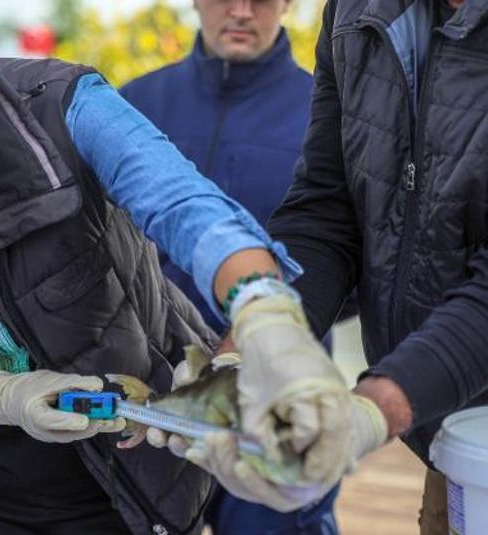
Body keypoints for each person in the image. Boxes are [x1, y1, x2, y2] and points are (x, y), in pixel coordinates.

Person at [0, 1, 377, 533]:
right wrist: (3, 397)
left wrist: (261, 306)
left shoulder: (61, 105)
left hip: (122, 482)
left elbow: (184, 206)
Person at [152, 0, 488, 532]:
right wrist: (250, 347)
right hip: (456, 446)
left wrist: (372, 410)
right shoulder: (356, 13)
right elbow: (328, 211)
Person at [121, 1, 340, 531]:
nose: (241, 11)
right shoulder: (132, 106)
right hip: (153, 379)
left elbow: (352, 251)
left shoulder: (327, 114)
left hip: (277, 383)